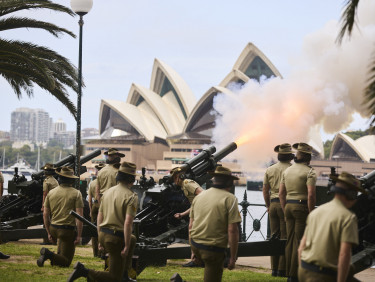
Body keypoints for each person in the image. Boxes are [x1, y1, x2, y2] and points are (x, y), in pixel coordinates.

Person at [67, 162, 138, 282]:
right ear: (132, 179)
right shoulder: (131, 196)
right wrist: (125, 246)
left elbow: (99, 218)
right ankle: (84, 271)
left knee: (132, 239)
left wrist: (100, 239)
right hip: (116, 238)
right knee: (114, 277)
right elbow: (127, 223)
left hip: (103, 234)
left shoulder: (107, 193)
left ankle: (125, 275)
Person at [298, 172, 361, 282]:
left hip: (304, 270)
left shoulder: (316, 212)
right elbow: (344, 254)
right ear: (351, 194)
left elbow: (301, 248)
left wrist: (302, 271)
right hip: (324, 275)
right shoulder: (348, 217)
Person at [189, 166, 242, 282]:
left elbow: (190, 226)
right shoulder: (230, 199)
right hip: (212, 249)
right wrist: (232, 258)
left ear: (214, 180)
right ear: (229, 182)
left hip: (195, 243)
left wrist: (193, 251)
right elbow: (233, 230)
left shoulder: (199, 197)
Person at [279, 142, 316, 282]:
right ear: (308, 158)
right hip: (301, 208)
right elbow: (311, 195)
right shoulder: (310, 172)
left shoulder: (287, 171)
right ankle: (294, 276)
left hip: (288, 206)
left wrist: (285, 209)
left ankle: (288, 272)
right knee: (299, 242)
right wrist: (312, 213)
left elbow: (281, 193)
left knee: (289, 241)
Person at [37, 166, 83, 267]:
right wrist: (79, 235)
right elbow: (79, 217)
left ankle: (53, 258)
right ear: (71, 180)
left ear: (60, 179)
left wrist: (49, 232)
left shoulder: (51, 193)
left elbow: (45, 214)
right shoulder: (76, 193)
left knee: (60, 257)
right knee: (66, 262)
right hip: (67, 230)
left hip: (53, 228)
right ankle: (48, 254)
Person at [263, 143, 294, 277]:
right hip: (285, 204)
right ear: (290, 156)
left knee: (273, 237)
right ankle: (282, 270)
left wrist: (268, 205)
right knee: (285, 238)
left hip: (273, 204)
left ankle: (274, 269)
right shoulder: (292, 169)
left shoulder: (270, 169)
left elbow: (265, 190)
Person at [171, 167, 204, 267]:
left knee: (192, 230)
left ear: (179, 177)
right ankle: (195, 258)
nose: (174, 181)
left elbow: (203, 195)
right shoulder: (184, 185)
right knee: (192, 231)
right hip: (197, 209)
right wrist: (182, 214)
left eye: (174, 178)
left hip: (200, 209)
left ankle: (195, 259)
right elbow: (194, 203)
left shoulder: (187, 183)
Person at [88, 163, 105, 257]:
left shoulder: (93, 183)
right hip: (105, 206)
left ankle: (95, 253)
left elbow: (89, 200)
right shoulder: (106, 182)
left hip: (95, 206)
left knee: (94, 230)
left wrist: (91, 211)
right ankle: (103, 252)